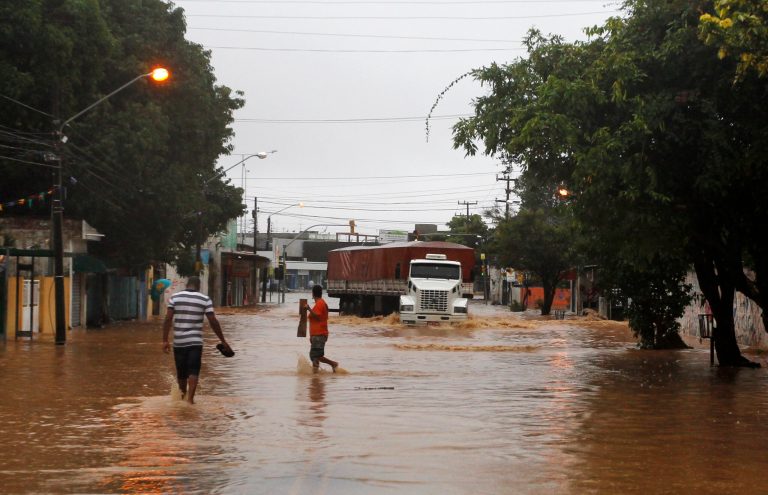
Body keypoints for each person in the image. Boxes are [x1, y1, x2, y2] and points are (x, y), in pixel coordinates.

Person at [162, 276, 232, 404]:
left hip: (179, 342)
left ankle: (182, 398)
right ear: (199, 286)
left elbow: (168, 319)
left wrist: (165, 340)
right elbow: (213, 321)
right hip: (195, 342)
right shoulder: (204, 299)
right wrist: (223, 340)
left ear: (187, 284)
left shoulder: (175, 298)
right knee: (194, 370)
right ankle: (190, 400)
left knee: (181, 373)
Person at [303, 285, 339, 373]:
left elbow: (317, 316)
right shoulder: (320, 303)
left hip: (319, 334)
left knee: (315, 355)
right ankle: (316, 375)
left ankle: (333, 364)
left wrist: (309, 309)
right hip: (317, 334)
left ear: (313, 294)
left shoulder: (320, 303)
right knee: (315, 355)